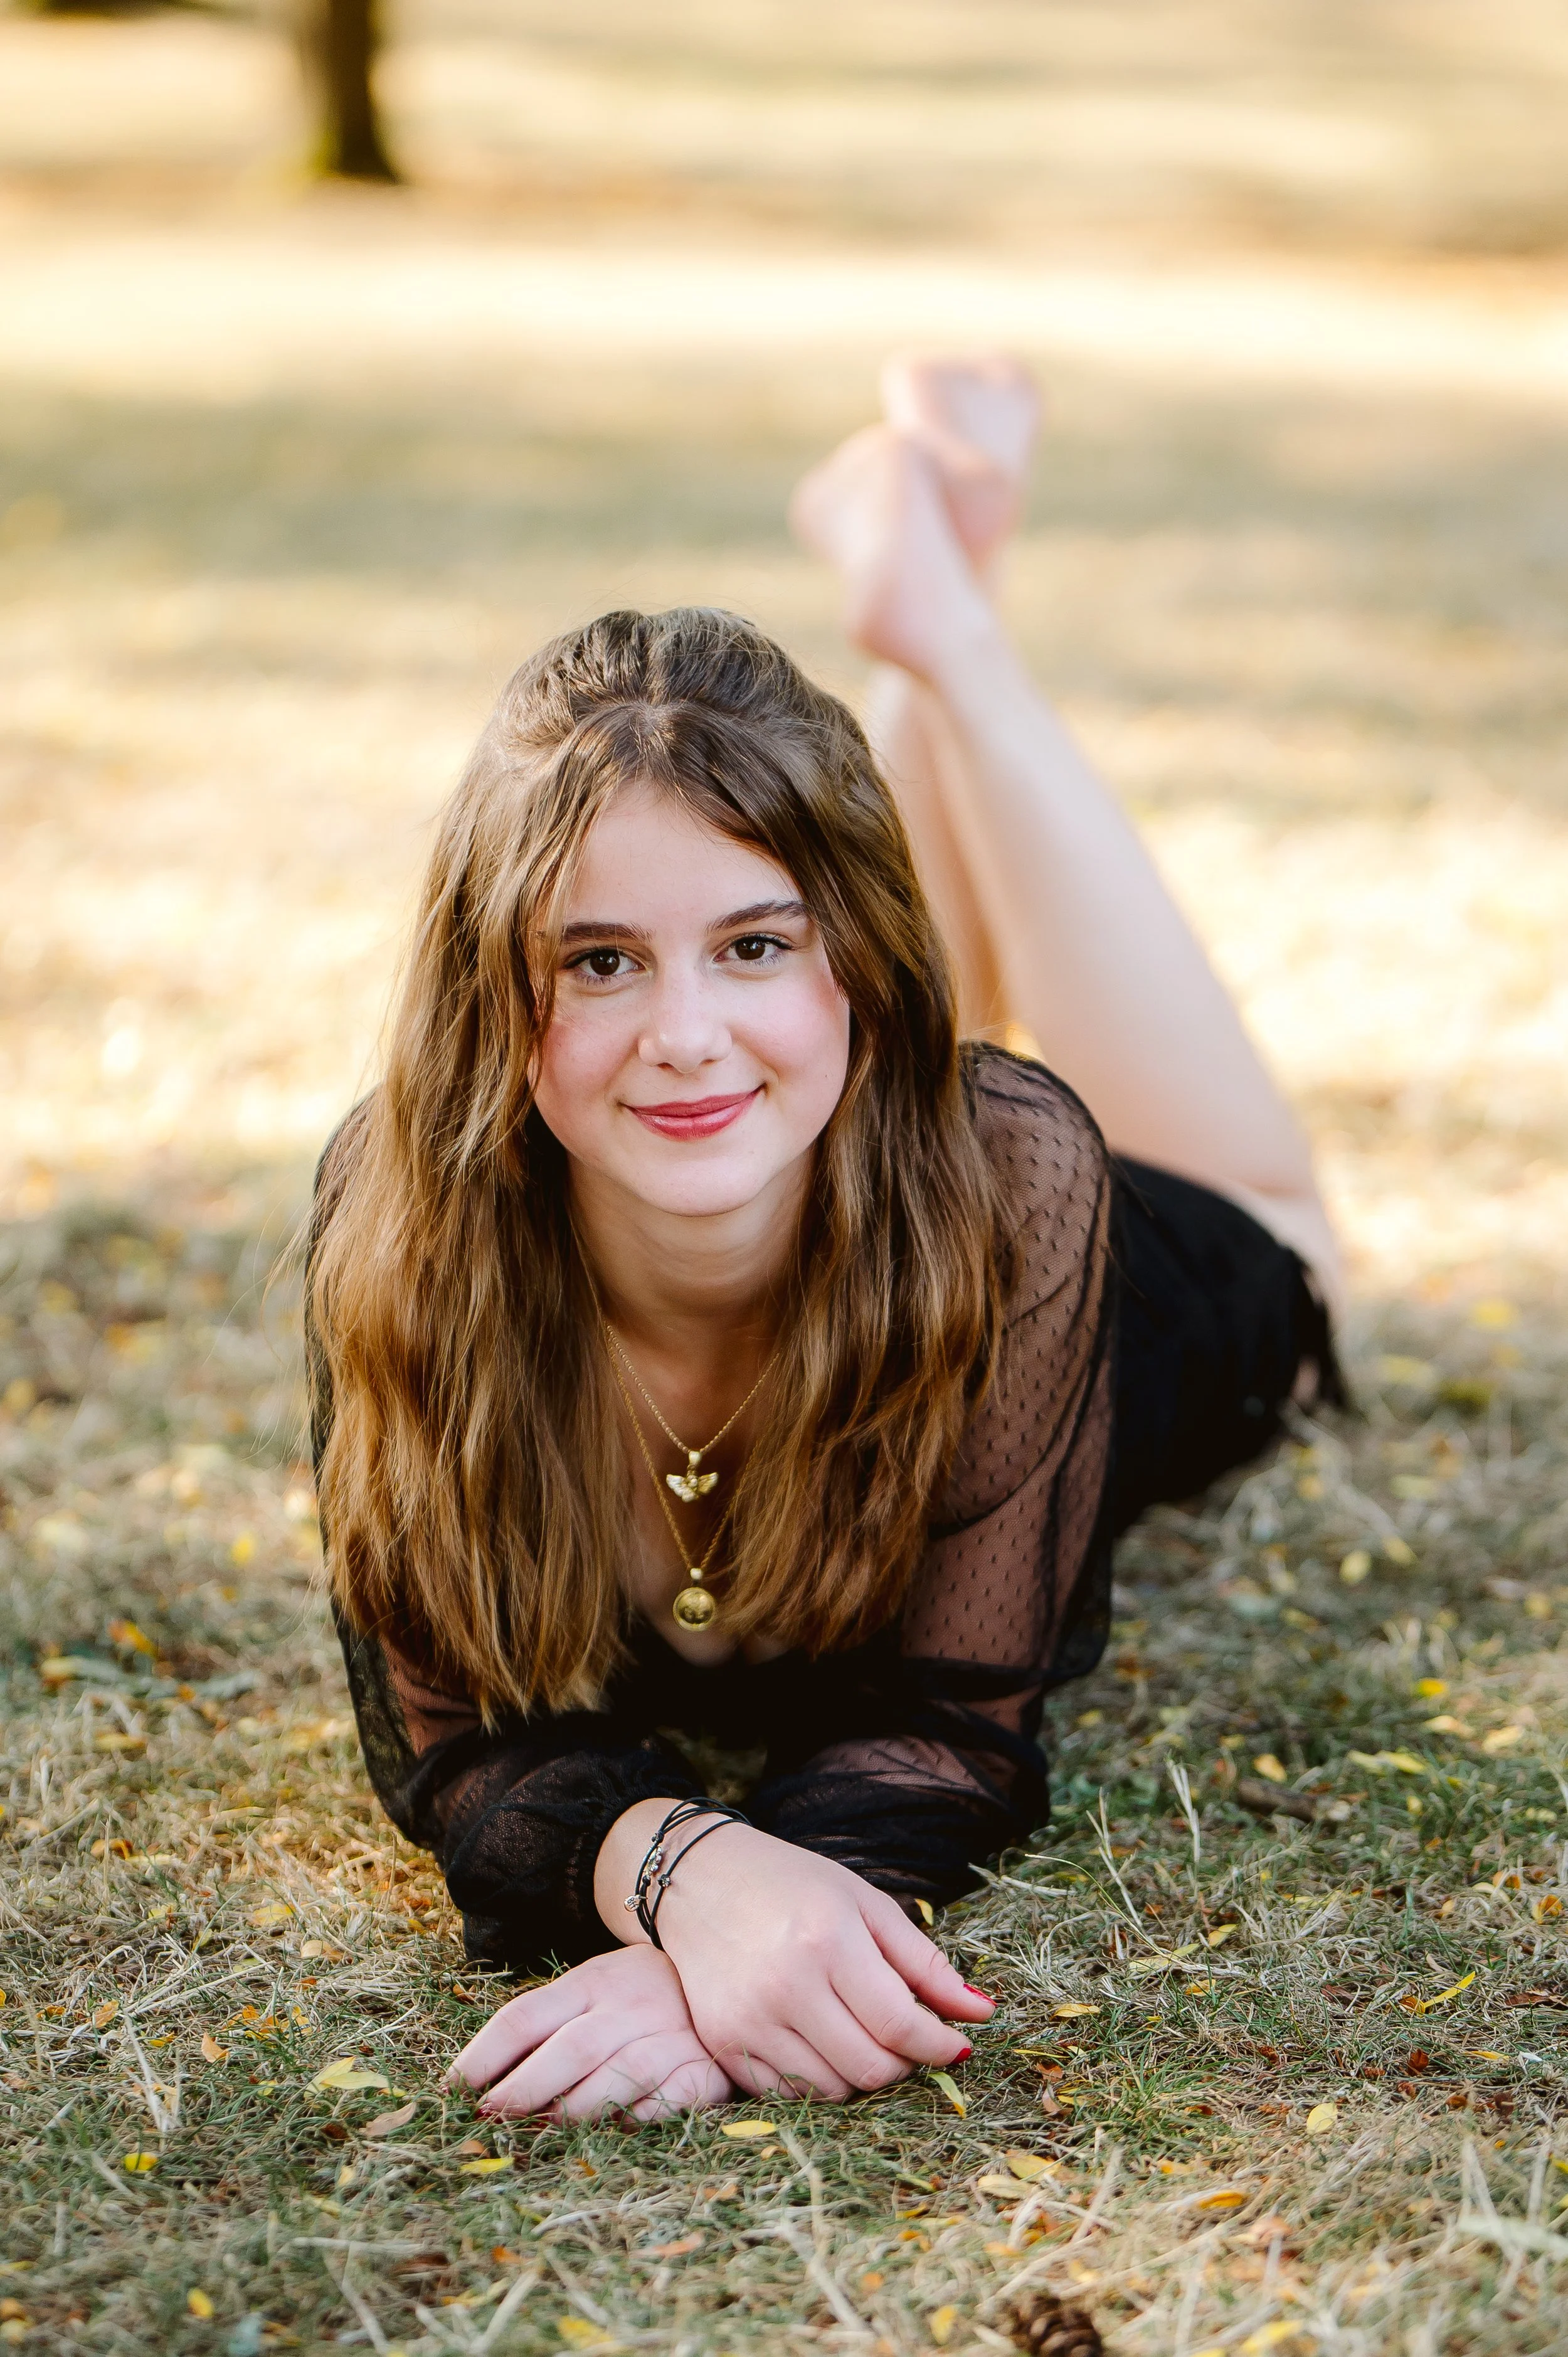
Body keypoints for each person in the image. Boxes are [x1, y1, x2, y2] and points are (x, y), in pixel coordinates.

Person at [304, 359, 1341, 2126]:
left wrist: (705, 1960)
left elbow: (953, 1724)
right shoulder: (403, 1210)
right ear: (495, 999)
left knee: (1292, 1226)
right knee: (772, 1056)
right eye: (599, 959)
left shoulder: (1021, 1173)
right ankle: (926, 602)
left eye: (758, 944)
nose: (683, 1032)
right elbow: (454, 1742)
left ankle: (948, 624)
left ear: (855, 958)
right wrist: (692, 1880)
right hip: (850, 1137)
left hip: (1153, 1251)